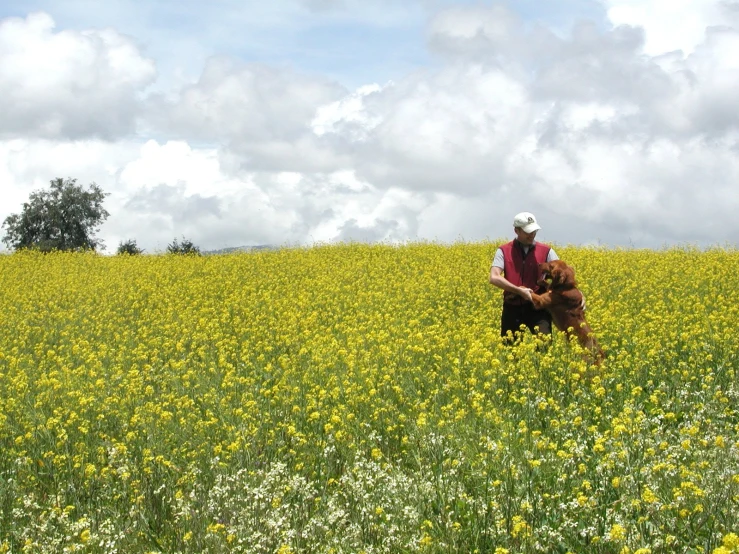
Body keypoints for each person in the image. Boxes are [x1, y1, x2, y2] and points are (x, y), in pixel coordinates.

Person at [489, 212, 559, 343]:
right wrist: (519, 291)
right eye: (527, 232)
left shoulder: (547, 251)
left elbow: (562, 276)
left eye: (534, 231)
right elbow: (494, 277)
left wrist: (577, 297)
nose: (532, 235)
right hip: (512, 306)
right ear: (516, 230)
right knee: (511, 351)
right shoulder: (503, 251)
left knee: (544, 345)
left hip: (538, 307)